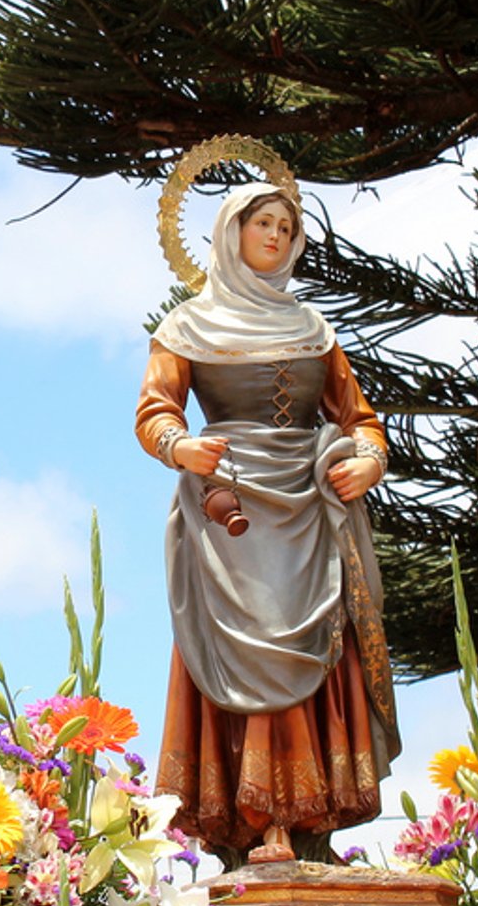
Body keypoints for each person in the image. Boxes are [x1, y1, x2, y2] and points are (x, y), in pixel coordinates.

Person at [134, 182, 398, 865]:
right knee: (245, 650)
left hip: (309, 506)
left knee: (318, 644)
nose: (277, 236)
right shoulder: (188, 326)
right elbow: (156, 409)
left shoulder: (314, 329)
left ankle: (313, 825)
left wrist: (369, 459)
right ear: (232, 233)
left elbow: (359, 418)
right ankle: (256, 822)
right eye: (265, 224)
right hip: (233, 508)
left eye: (287, 226)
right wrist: (179, 446)